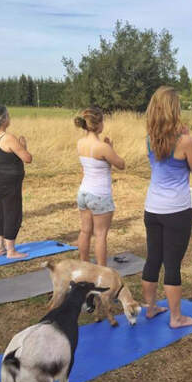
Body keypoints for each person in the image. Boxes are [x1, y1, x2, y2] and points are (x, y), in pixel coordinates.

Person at [141, 86, 192, 328]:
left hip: (152, 208)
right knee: (172, 264)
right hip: (176, 210)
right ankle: (176, 317)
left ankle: (150, 308)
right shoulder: (184, 141)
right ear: (174, 110)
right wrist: (187, 140)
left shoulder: (149, 138)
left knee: (153, 259)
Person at [74, 107, 125, 265]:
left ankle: (84, 265)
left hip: (83, 192)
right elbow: (121, 164)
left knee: (85, 230)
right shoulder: (103, 147)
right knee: (101, 234)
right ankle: (101, 271)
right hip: (100, 195)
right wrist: (111, 147)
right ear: (98, 124)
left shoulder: (80, 143)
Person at [0, 105, 32, 259]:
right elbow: (27, 158)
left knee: (0, 213)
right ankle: (11, 251)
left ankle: (0, 248)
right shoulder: (8, 138)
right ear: (3, 119)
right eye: (8, 115)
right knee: (12, 214)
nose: (10, 118)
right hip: (8, 182)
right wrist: (24, 145)